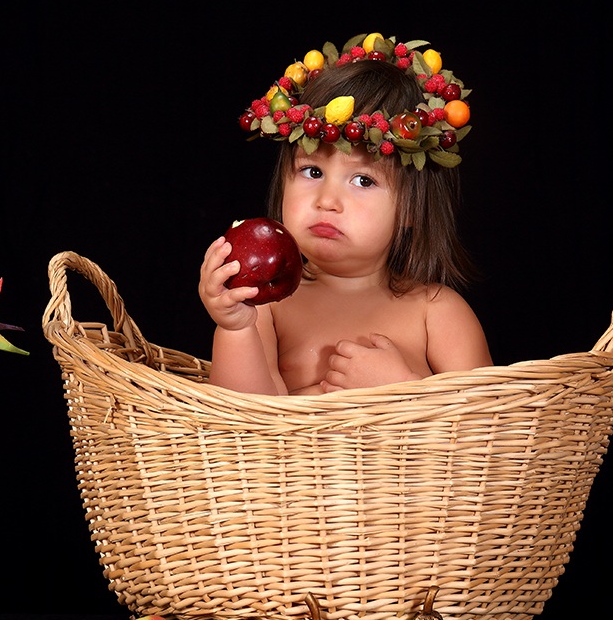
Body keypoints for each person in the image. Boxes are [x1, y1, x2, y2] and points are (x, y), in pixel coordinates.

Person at [199, 34, 492, 395]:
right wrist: (234, 329)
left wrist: (404, 391)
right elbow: (243, 425)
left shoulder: (436, 313)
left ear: (411, 211)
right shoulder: (265, 307)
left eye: (363, 180)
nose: (327, 200)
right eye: (313, 172)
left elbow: (487, 429)